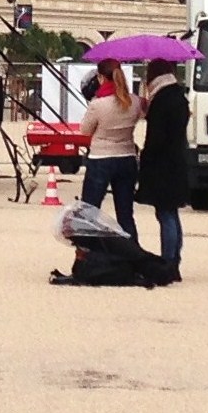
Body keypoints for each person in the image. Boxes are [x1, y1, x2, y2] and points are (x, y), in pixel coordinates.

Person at [136, 57, 190, 282]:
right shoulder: (178, 96)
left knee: (165, 213)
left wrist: (145, 159)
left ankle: (168, 261)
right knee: (172, 214)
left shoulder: (162, 100)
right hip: (177, 160)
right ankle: (174, 259)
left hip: (163, 164)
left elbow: (156, 138)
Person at [78, 58, 141, 241]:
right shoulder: (134, 102)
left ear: (100, 77)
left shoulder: (98, 104)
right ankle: (133, 257)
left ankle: (88, 256)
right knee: (125, 214)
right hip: (127, 156)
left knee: (90, 211)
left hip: (101, 158)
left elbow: (85, 130)